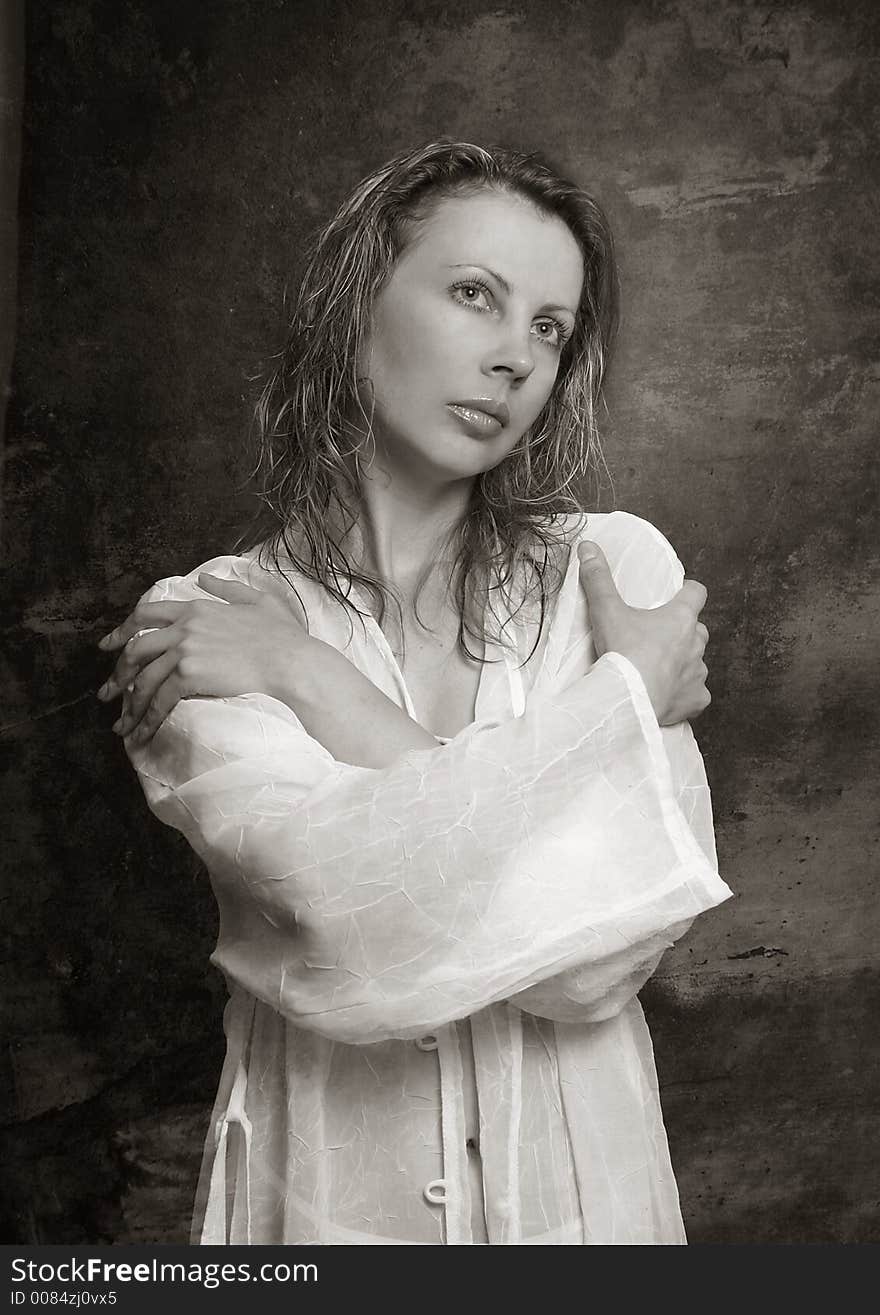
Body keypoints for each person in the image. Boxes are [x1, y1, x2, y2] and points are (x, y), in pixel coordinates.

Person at [96, 140, 732, 1246]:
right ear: (356, 306)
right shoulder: (207, 612)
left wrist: (303, 675)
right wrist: (617, 710)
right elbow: (343, 912)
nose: (515, 359)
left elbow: (595, 964)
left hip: (588, 1210)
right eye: (475, 296)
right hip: (326, 1217)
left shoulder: (617, 575)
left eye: (548, 326)